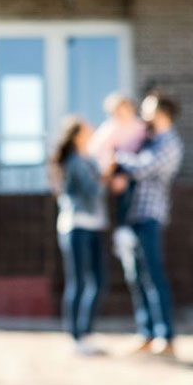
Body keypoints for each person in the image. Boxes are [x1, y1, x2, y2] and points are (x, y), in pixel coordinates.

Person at [114, 92, 183, 357]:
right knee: (136, 276)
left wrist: (118, 155)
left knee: (153, 275)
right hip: (134, 215)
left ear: (161, 112)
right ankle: (147, 332)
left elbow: (142, 168)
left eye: (148, 109)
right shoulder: (150, 141)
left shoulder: (170, 143)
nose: (144, 115)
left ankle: (165, 336)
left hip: (150, 216)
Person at [49, 115, 107, 356]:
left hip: (94, 225)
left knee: (99, 281)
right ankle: (75, 336)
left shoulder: (89, 160)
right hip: (76, 226)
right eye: (87, 128)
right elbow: (94, 190)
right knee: (79, 281)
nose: (92, 129)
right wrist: (109, 173)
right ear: (77, 135)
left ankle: (86, 333)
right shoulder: (74, 162)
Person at [89, 92, 146, 266]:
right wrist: (112, 172)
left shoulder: (139, 127)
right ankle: (122, 232)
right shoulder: (110, 129)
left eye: (125, 109)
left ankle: (127, 231)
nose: (122, 114)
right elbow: (97, 150)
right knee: (123, 200)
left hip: (136, 168)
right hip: (117, 168)